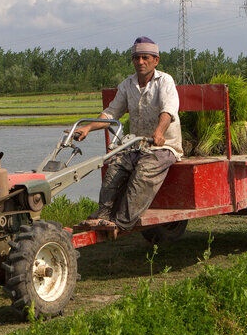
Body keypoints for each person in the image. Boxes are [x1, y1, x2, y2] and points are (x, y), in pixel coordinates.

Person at [73, 36, 182, 231]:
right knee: (115, 166)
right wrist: (88, 127)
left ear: (156, 60)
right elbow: (111, 113)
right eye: (136, 58)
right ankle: (103, 215)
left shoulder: (164, 81)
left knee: (144, 172)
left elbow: (168, 110)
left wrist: (159, 132)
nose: (140, 62)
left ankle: (121, 223)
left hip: (163, 147)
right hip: (138, 145)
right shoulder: (127, 84)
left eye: (145, 57)